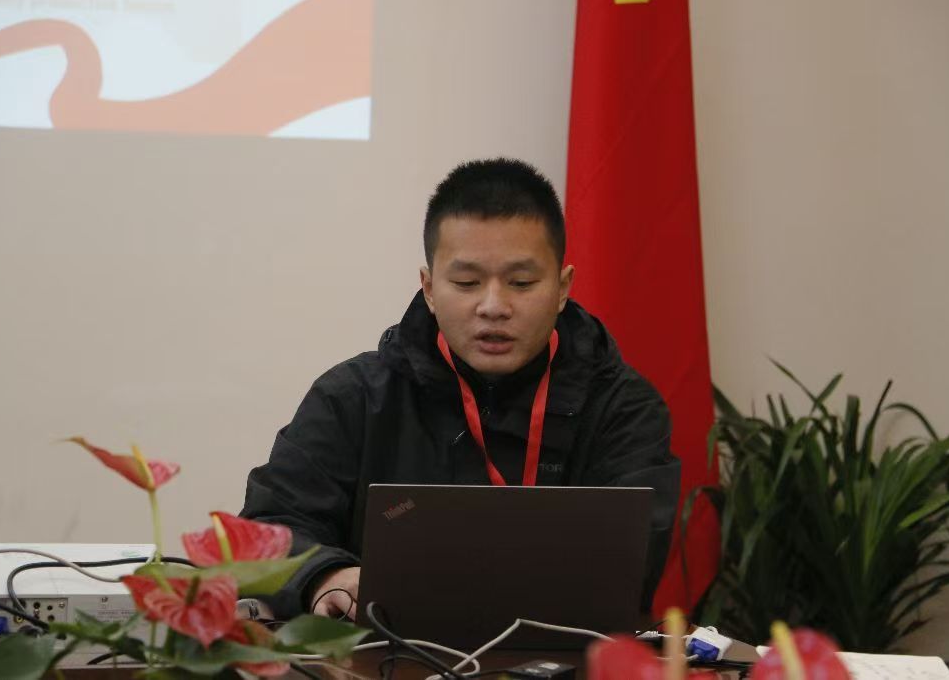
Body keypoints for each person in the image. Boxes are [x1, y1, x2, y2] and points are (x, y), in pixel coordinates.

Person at [241, 158, 681, 620]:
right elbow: (271, 526)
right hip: (379, 651)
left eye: (522, 282)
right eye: (467, 282)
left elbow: (630, 564)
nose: (493, 306)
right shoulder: (353, 398)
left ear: (562, 287)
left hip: (564, 653)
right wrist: (324, 576)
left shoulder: (623, 409)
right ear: (429, 288)